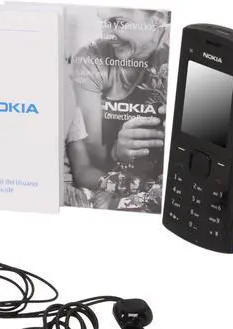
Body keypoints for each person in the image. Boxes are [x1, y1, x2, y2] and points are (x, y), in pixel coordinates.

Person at [68, 8, 169, 212]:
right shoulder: (91, 58)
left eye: (120, 22)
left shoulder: (181, 50)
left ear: (157, 20)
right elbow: (88, 156)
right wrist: (115, 152)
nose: (107, 34)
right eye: (104, 21)